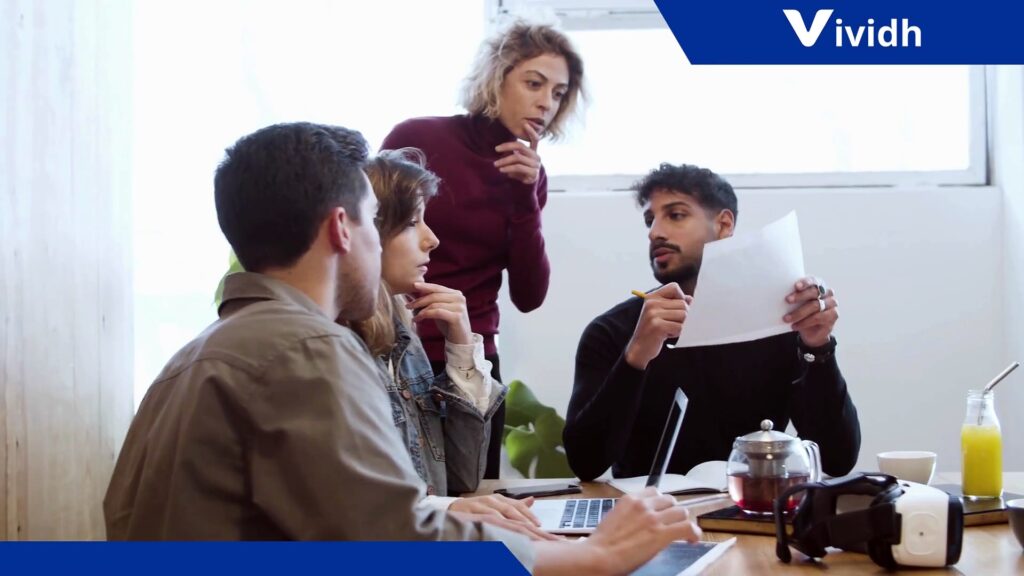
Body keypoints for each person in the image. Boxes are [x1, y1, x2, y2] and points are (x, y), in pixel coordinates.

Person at [103, 122, 701, 575]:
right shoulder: (307, 347)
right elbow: (399, 542)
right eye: (373, 219)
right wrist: (594, 555)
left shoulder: (191, 359)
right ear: (342, 229)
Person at [564, 163, 861, 482]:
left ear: (723, 224)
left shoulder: (780, 323)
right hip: (647, 509)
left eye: (675, 215)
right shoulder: (613, 331)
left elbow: (837, 459)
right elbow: (585, 463)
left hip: (753, 504)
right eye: (650, 220)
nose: (655, 232)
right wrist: (635, 356)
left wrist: (817, 347)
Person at [381, 20, 586, 477]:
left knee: (477, 492)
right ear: (497, 79)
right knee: (406, 497)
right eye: (534, 83)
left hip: (471, 354)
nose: (546, 102)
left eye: (558, 93)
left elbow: (529, 295)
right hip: (397, 347)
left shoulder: (531, 177)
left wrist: (525, 199)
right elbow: (370, 241)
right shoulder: (417, 138)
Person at [354, 148, 537, 524]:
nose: (432, 239)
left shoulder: (405, 339)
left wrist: (462, 347)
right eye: (412, 223)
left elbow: (463, 476)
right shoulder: (338, 350)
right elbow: (358, 507)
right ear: (366, 234)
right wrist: (450, 508)